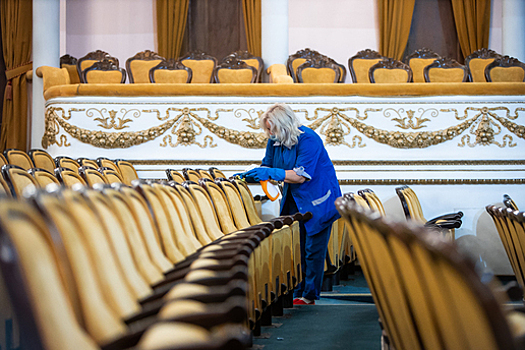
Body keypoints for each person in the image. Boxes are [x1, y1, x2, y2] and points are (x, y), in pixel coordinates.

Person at [237, 103, 341, 305]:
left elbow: (301, 176)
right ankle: (297, 292)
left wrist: (270, 173)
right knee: (297, 247)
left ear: (284, 125)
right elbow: (267, 165)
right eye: (267, 128)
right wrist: (248, 176)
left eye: (271, 128)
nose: (268, 133)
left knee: (313, 249)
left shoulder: (308, 139)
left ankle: (310, 295)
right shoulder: (274, 141)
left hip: (318, 200)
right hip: (294, 200)